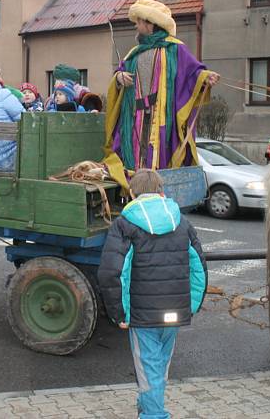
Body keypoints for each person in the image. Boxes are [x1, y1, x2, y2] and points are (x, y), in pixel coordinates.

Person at [98, 169, 206, 419]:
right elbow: (198, 267)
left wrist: (119, 313)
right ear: (161, 191)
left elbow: (114, 273)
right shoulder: (182, 222)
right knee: (160, 364)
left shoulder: (125, 225)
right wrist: (192, 305)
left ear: (133, 194)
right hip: (175, 311)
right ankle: (147, 405)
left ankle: (154, 415)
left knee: (148, 367)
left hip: (143, 314)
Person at [104, 0, 220, 188]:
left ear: (150, 24)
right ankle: (132, 193)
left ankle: (157, 194)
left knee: (157, 158)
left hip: (160, 119)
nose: (136, 26)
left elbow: (192, 72)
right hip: (134, 118)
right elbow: (119, 73)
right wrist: (119, 78)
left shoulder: (175, 48)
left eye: (139, 22)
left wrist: (205, 77)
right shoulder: (134, 52)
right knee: (132, 158)